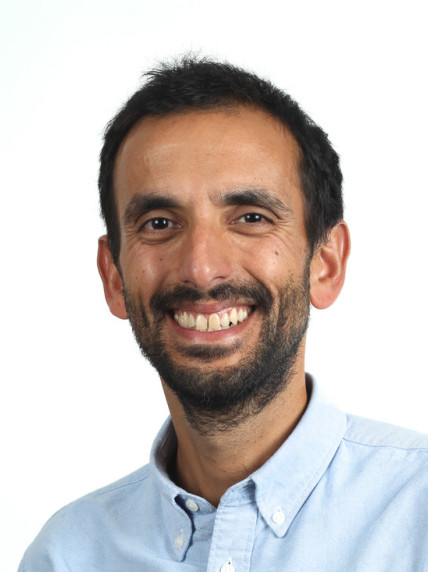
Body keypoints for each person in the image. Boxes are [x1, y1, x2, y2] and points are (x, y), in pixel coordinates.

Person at [19, 57, 428, 572]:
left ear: (325, 263)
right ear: (115, 276)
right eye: (159, 223)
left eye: (251, 217)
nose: (201, 269)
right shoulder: (67, 556)